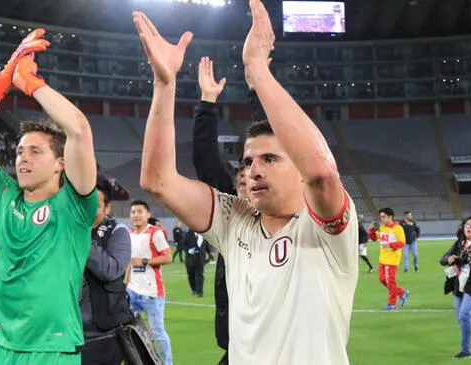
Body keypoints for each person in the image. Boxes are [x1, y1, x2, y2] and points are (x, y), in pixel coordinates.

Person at [132, 1, 359, 362]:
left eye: (269, 159)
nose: (253, 170)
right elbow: (157, 180)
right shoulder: (234, 220)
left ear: (297, 168)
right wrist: (165, 83)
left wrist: (257, 71)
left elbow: (320, 172)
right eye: (249, 161)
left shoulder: (328, 230)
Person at [0, 28, 98, 365]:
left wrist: (31, 84)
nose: (23, 158)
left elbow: (78, 128)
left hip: (53, 348)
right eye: (20, 151)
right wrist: (4, 79)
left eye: (35, 151)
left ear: (61, 163)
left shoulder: (75, 205)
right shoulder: (4, 195)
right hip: (4, 343)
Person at [192, 55, 256, 364]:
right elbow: (206, 162)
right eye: (241, 178)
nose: (248, 182)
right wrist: (207, 103)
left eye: (255, 175)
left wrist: (257, 86)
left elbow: (274, 138)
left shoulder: (285, 217)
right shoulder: (231, 215)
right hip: (235, 345)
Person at [79, 177, 131, 365]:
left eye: (96, 205)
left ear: (107, 208)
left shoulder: (118, 232)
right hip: (66, 333)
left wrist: (81, 236)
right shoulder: (66, 232)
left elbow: (111, 270)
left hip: (102, 336)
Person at [127, 200, 173, 365]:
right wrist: (125, 284)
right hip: (131, 292)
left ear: (148, 215)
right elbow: (129, 263)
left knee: (157, 333)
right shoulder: (129, 234)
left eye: (140, 211)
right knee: (126, 330)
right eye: (133, 212)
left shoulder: (155, 233)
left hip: (152, 293)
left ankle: (166, 363)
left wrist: (144, 261)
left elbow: (168, 257)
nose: (136, 215)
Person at [440, 216, 471, 360]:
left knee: (464, 316)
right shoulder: (459, 243)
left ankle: (466, 351)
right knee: (461, 318)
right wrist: (448, 259)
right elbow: (443, 258)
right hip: (458, 285)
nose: (469, 227)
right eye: (467, 224)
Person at [369, 208, 410, 310]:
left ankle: (392, 304)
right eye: (381, 217)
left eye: (383, 217)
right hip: (382, 258)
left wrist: (390, 244)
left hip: (392, 259)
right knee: (382, 279)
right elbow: (374, 239)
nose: (382, 219)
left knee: (390, 281)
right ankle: (402, 292)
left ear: (390, 216)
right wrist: (372, 230)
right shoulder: (382, 227)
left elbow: (402, 243)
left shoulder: (397, 228)